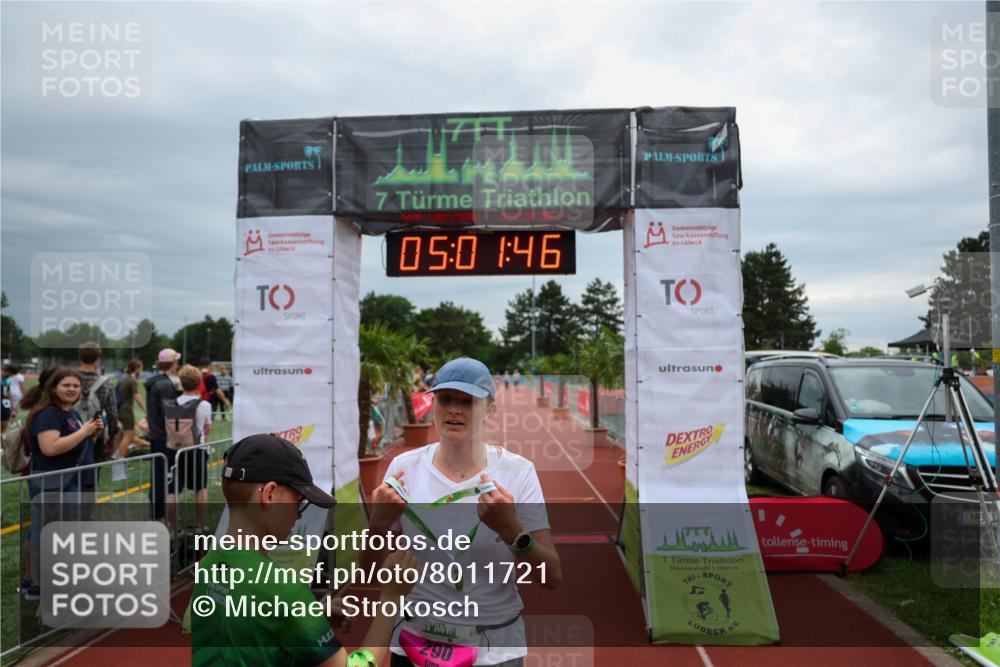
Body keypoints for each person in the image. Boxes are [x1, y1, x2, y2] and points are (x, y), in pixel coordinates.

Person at [366, 357, 561, 667]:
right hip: (414, 646)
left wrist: (513, 532)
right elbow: (367, 571)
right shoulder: (404, 468)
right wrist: (376, 527)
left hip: (494, 650)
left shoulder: (518, 472)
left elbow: (551, 576)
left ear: (490, 410)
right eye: (445, 399)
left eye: (467, 401)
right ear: (433, 405)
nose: (454, 409)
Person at [192, 433, 418, 667]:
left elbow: (247, 625)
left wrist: (310, 615)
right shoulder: (284, 590)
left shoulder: (209, 563)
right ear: (270, 494)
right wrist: (391, 598)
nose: (298, 515)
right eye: (298, 502)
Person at [23, 367, 104, 599]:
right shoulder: (48, 414)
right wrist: (84, 432)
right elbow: (50, 448)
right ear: (54, 387)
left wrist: (92, 433)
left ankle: (43, 578)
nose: (72, 389)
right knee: (45, 532)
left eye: (76, 386)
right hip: (50, 481)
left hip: (67, 479)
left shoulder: (70, 413)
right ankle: (38, 584)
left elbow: (73, 444)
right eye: (66, 385)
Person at [166, 365, 213, 531]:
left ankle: (174, 527)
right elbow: (208, 427)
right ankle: (200, 525)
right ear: (199, 382)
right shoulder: (204, 405)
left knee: (172, 490)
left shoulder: (171, 403)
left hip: (174, 450)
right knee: (200, 488)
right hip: (197, 449)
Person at [146, 349, 181, 521]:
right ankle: (160, 513)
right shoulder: (165, 384)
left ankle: (157, 511)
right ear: (173, 364)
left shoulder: (157, 381)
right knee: (164, 477)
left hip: (157, 434)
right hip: (163, 436)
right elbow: (170, 413)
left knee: (159, 475)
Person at [77, 342, 119, 462]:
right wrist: (112, 436)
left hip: (69, 430)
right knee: (92, 468)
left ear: (79, 356)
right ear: (97, 358)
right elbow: (112, 413)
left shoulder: (67, 378)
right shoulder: (105, 383)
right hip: (95, 431)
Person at [116, 359, 149, 458]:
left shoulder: (122, 378)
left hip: (119, 409)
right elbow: (137, 397)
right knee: (128, 436)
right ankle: (119, 461)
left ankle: (120, 457)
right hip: (126, 411)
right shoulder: (131, 380)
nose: (141, 371)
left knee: (131, 435)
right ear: (137, 368)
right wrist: (146, 410)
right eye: (141, 368)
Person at [199, 358, 231, 422]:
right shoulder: (210, 377)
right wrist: (225, 400)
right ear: (209, 365)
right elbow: (218, 390)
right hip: (207, 401)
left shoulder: (196, 375)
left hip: (197, 400)